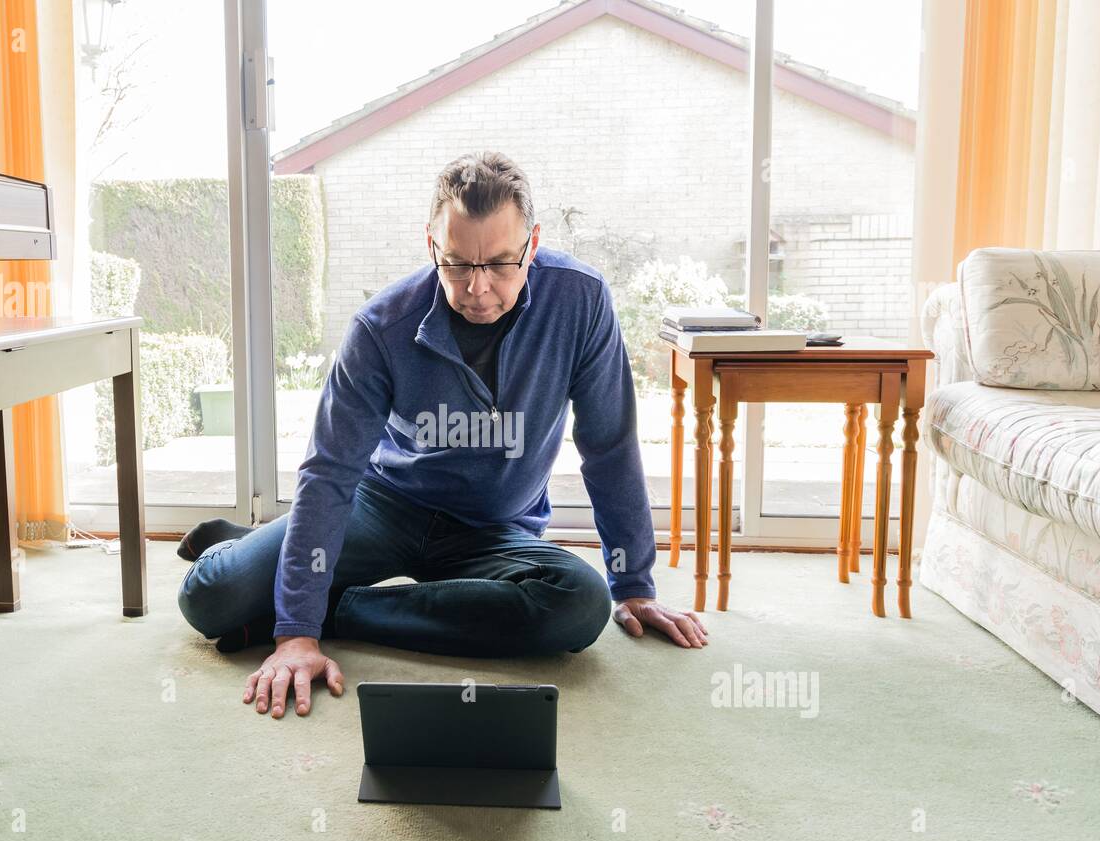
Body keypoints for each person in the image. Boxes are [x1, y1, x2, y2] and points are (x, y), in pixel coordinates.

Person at [176, 150, 709, 719]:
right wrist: (293, 636)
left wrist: (633, 584)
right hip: (385, 505)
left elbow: (609, 445)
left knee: (578, 607)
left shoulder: (580, 300)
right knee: (213, 599)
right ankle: (256, 548)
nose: (478, 288)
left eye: (501, 264)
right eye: (457, 264)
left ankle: (342, 607)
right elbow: (330, 474)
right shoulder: (381, 328)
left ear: (532, 245)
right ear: (432, 248)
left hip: (495, 528)